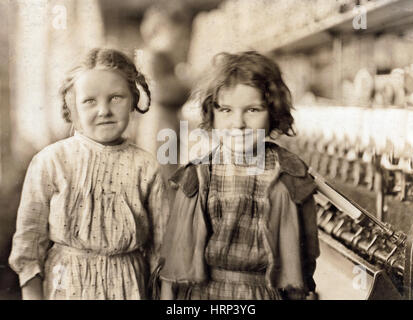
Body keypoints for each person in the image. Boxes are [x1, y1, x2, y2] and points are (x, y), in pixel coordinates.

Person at [8, 48, 169, 300]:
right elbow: (28, 247)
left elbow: (163, 252)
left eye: (116, 98)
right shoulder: (51, 162)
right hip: (65, 287)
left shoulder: (146, 167)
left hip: (129, 288)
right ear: (71, 108)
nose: (104, 110)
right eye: (90, 101)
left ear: (133, 100)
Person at [160, 51, 319, 300]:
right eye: (226, 110)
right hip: (206, 293)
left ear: (273, 112)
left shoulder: (291, 175)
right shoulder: (199, 174)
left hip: (266, 293)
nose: (238, 123)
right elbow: (174, 260)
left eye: (253, 110)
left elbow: (305, 256)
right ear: (211, 114)